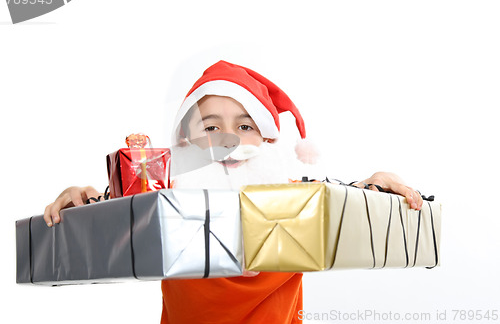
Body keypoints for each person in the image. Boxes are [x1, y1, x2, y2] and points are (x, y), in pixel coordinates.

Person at [43, 60, 423, 323]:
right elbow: (112, 212)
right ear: (184, 140)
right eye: (210, 128)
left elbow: (342, 202)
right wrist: (83, 199)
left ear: (267, 138)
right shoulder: (160, 203)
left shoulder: (296, 198)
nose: (228, 140)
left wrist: (373, 186)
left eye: (245, 127)